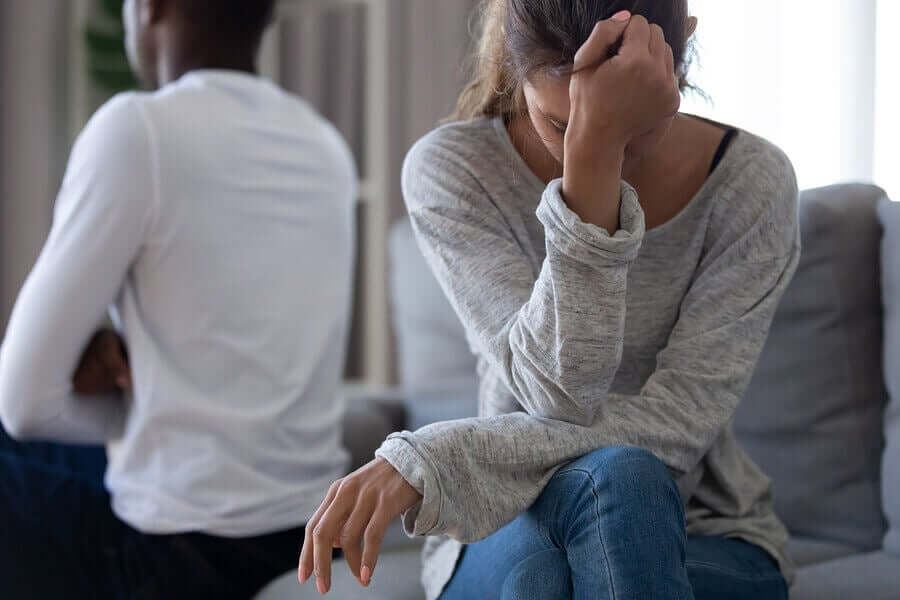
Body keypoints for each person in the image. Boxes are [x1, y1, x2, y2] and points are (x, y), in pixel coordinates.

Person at [297, 2, 800, 599]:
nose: (595, 147)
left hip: (706, 530)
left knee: (622, 482)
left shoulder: (751, 182)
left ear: (681, 49)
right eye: (562, 125)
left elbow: (678, 425)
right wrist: (593, 176)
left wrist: (442, 458)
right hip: (515, 524)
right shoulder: (454, 172)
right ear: (514, 66)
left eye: (632, 122)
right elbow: (558, 392)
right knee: (552, 560)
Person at [0, 0, 356, 597]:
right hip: (305, 531)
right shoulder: (324, 146)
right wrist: (167, 394)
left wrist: (139, 399)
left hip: (175, 556)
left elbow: (22, 402)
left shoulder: (138, 129)